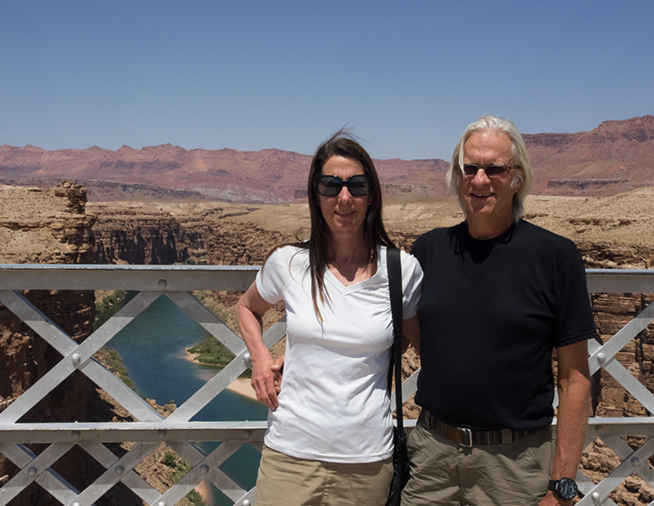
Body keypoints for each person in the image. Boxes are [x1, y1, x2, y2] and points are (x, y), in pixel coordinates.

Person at [402, 116, 596, 506]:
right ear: (456, 176)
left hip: (515, 467)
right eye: (469, 168)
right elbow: (401, 331)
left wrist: (562, 486)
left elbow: (575, 378)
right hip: (431, 457)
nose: (479, 180)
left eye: (494, 169)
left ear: (518, 177)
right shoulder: (428, 250)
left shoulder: (554, 257)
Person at [236, 131, 423, 506]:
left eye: (357, 185)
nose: (344, 197)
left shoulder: (401, 270)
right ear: (315, 194)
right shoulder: (289, 262)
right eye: (330, 185)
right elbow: (246, 308)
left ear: (372, 195)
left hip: (366, 460)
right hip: (290, 452)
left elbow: (415, 341)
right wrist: (259, 359)